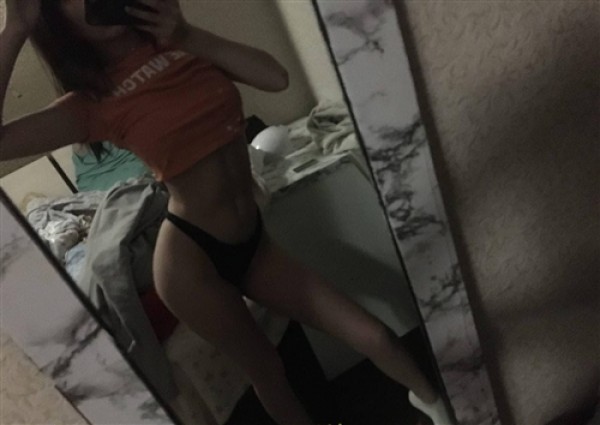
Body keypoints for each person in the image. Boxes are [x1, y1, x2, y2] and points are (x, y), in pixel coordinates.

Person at [0, 1, 453, 424]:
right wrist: (16, 28)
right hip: (190, 264)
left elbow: (275, 77)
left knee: (374, 335)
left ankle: (442, 408)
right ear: (56, 21)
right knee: (268, 370)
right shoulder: (90, 104)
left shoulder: (179, 41)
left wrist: (187, 35)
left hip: (253, 242)